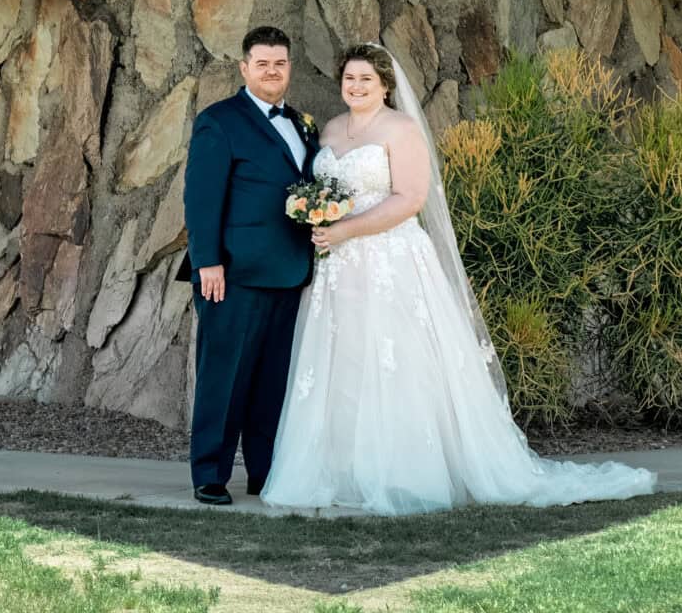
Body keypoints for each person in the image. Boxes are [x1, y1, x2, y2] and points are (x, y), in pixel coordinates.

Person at [260, 43, 655, 516]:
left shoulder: (401, 130)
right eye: (349, 78)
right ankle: (343, 470)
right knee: (344, 364)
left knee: (396, 362)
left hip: (391, 261)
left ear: (385, 84)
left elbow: (409, 198)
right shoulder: (329, 130)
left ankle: (404, 473)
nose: (356, 86)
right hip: (338, 270)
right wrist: (320, 219)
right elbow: (325, 190)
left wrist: (343, 228)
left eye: (366, 79)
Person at [180, 23, 320, 504]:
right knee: (225, 375)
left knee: (270, 382)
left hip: (288, 271)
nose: (271, 71)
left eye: (279, 63)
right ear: (244, 68)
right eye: (262, 64)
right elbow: (201, 200)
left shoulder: (302, 123)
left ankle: (264, 473)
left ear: (289, 68)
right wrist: (208, 263)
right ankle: (210, 475)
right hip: (232, 275)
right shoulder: (219, 121)